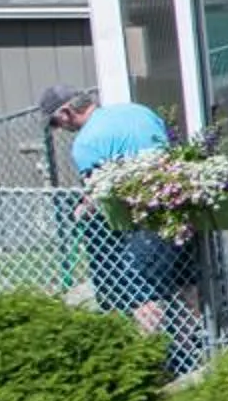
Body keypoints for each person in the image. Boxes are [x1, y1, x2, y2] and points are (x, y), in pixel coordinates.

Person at [38, 84, 186, 341]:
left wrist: (83, 209)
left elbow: (99, 192)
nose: (59, 128)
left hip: (145, 220)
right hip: (184, 209)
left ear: (65, 113)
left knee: (142, 289)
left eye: (55, 122)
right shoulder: (138, 111)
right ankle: (198, 343)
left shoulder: (85, 143)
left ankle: (152, 353)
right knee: (187, 278)